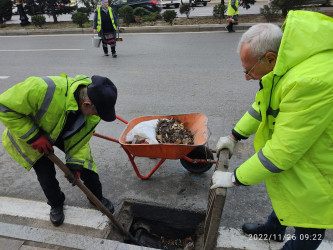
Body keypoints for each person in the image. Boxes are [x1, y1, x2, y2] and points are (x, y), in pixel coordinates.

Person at [211, 10, 333, 249]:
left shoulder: (309, 81)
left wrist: (235, 178)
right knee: (291, 189)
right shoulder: (286, 64)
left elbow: (283, 152)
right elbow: (262, 107)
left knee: (309, 216)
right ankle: (274, 229)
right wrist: (234, 137)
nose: (247, 77)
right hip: (303, 153)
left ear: (270, 57)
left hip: (322, 163)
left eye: (248, 70)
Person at [0, 74, 118, 227]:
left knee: (86, 166)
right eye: (97, 112)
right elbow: (4, 106)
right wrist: (34, 136)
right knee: (46, 174)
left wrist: (75, 165)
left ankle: (96, 197)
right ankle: (56, 204)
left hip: (63, 133)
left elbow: (80, 142)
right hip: (32, 135)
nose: (97, 116)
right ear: (87, 104)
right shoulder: (42, 88)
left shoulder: (92, 116)